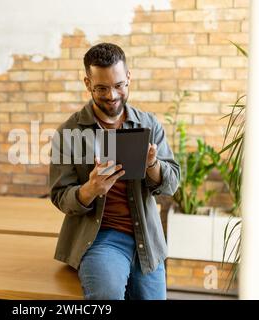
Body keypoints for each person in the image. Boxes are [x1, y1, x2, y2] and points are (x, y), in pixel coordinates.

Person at [49, 43, 180, 300]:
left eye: (119, 85)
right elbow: (60, 196)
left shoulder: (149, 124)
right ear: (88, 83)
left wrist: (152, 166)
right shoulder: (68, 133)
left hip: (146, 237)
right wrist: (90, 189)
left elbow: (172, 183)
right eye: (101, 88)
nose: (112, 95)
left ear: (128, 77)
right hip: (100, 239)